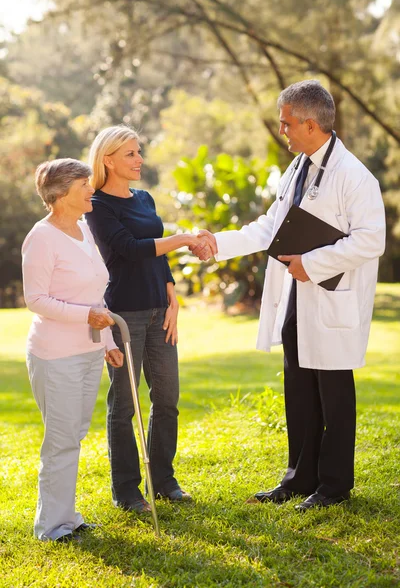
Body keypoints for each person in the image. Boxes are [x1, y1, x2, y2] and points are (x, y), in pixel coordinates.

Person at [192, 80, 386, 510]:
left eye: (286, 123)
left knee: (333, 397)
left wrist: (312, 265)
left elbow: (372, 240)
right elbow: (270, 227)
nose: (282, 131)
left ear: (311, 125)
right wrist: (217, 243)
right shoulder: (297, 167)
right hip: (297, 298)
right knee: (298, 390)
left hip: (331, 297)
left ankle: (334, 487)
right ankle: (299, 480)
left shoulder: (355, 176)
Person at [85, 125, 207, 513]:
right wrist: (185, 237)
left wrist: (171, 292)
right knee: (124, 404)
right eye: (130, 154)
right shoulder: (97, 206)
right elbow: (129, 249)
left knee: (167, 398)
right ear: (108, 160)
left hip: (159, 309)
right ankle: (126, 490)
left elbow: (157, 255)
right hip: (123, 313)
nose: (140, 160)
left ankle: (163, 480)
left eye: (139, 152)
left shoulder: (145, 198)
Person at [22, 158, 124, 541]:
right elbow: (36, 299)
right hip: (55, 355)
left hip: (87, 351)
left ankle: (67, 515)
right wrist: (87, 317)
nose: (91, 189)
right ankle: (52, 527)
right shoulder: (41, 237)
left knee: (74, 434)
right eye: (84, 184)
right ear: (62, 193)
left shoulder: (83, 229)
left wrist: (108, 343)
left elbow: (96, 295)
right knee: (61, 439)